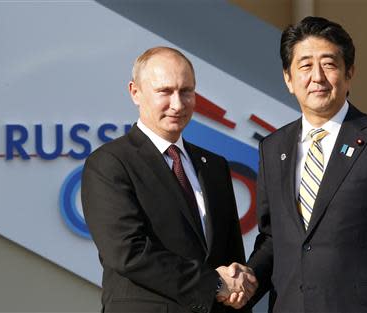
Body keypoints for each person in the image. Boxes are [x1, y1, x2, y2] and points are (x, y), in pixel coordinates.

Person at [226, 16, 367, 312]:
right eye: (305, 65)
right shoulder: (273, 147)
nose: (317, 77)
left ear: (349, 73)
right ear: (288, 79)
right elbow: (274, 238)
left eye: (329, 64)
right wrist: (246, 279)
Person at [81, 46, 257, 313]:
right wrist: (214, 285)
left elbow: (230, 254)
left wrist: (238, 283)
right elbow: (129, 253)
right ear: (135, 92)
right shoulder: (109, 164)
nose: (177, 104)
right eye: (164, 91)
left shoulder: (214, 166)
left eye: (186, 91)